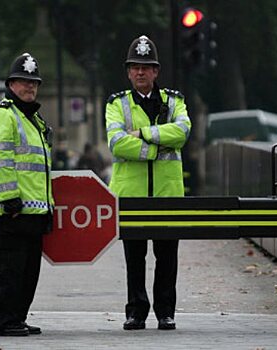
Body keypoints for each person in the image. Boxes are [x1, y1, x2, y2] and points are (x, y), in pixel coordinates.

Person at [105, 35, 191, 331]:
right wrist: (158, 146)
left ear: (156, 71)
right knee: (134, 257)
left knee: (167, 255)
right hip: (131, 194)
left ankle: (165, 311)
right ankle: (136, 311)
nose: (140, 72)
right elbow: (116, 143)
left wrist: (141, 134)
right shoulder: (117, 104)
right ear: (128, 72)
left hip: (168, 193)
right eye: (135, 67)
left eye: (146, 67)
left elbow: (182, 133)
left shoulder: (175, 101)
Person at [0, 53, 54, 337]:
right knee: (8, 273)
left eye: (34, 83)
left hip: (33, 212)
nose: (30, 88)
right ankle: (0, 320)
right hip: (10, 211)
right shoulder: (2, 114)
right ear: (11, 84)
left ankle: (16, 318)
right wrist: (9, 197)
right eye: (24, 82)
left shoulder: (33, 119)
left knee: (27, 274)